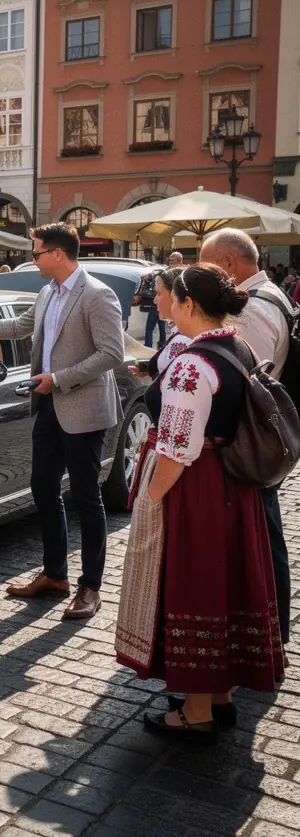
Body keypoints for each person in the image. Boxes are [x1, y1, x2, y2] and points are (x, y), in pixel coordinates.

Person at [115, 264, 284, 742]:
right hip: (234, 486)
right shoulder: (237, 345)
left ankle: (195, 711)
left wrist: (150, 496)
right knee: (225, 583)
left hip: (200, 489)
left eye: (172, 299)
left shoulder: (192, 364)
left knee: (194, 585)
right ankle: (221, 696)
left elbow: (177, 448)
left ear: (188, 304)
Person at [0, 222, 125, 620]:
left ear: (57, 254)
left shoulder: (97, 295)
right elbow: (18, 327)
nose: (32, 259)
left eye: (36, 253)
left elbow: (111, 354)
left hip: (83, 406)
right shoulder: (47, 292)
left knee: (87, 497)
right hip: (49, 407)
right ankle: (55, 574)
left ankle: (91, 587)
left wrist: (59, 378)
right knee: (42, 487)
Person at [199, 228, 292, 647]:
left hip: (248, 440)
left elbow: (239, 383)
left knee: (263, 536)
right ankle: (268, 631)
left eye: (209, 265)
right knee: (264, 531)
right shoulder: (271, 294)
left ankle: (269, 633)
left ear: (231, 265)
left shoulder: (251, 311)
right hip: (261, 436)